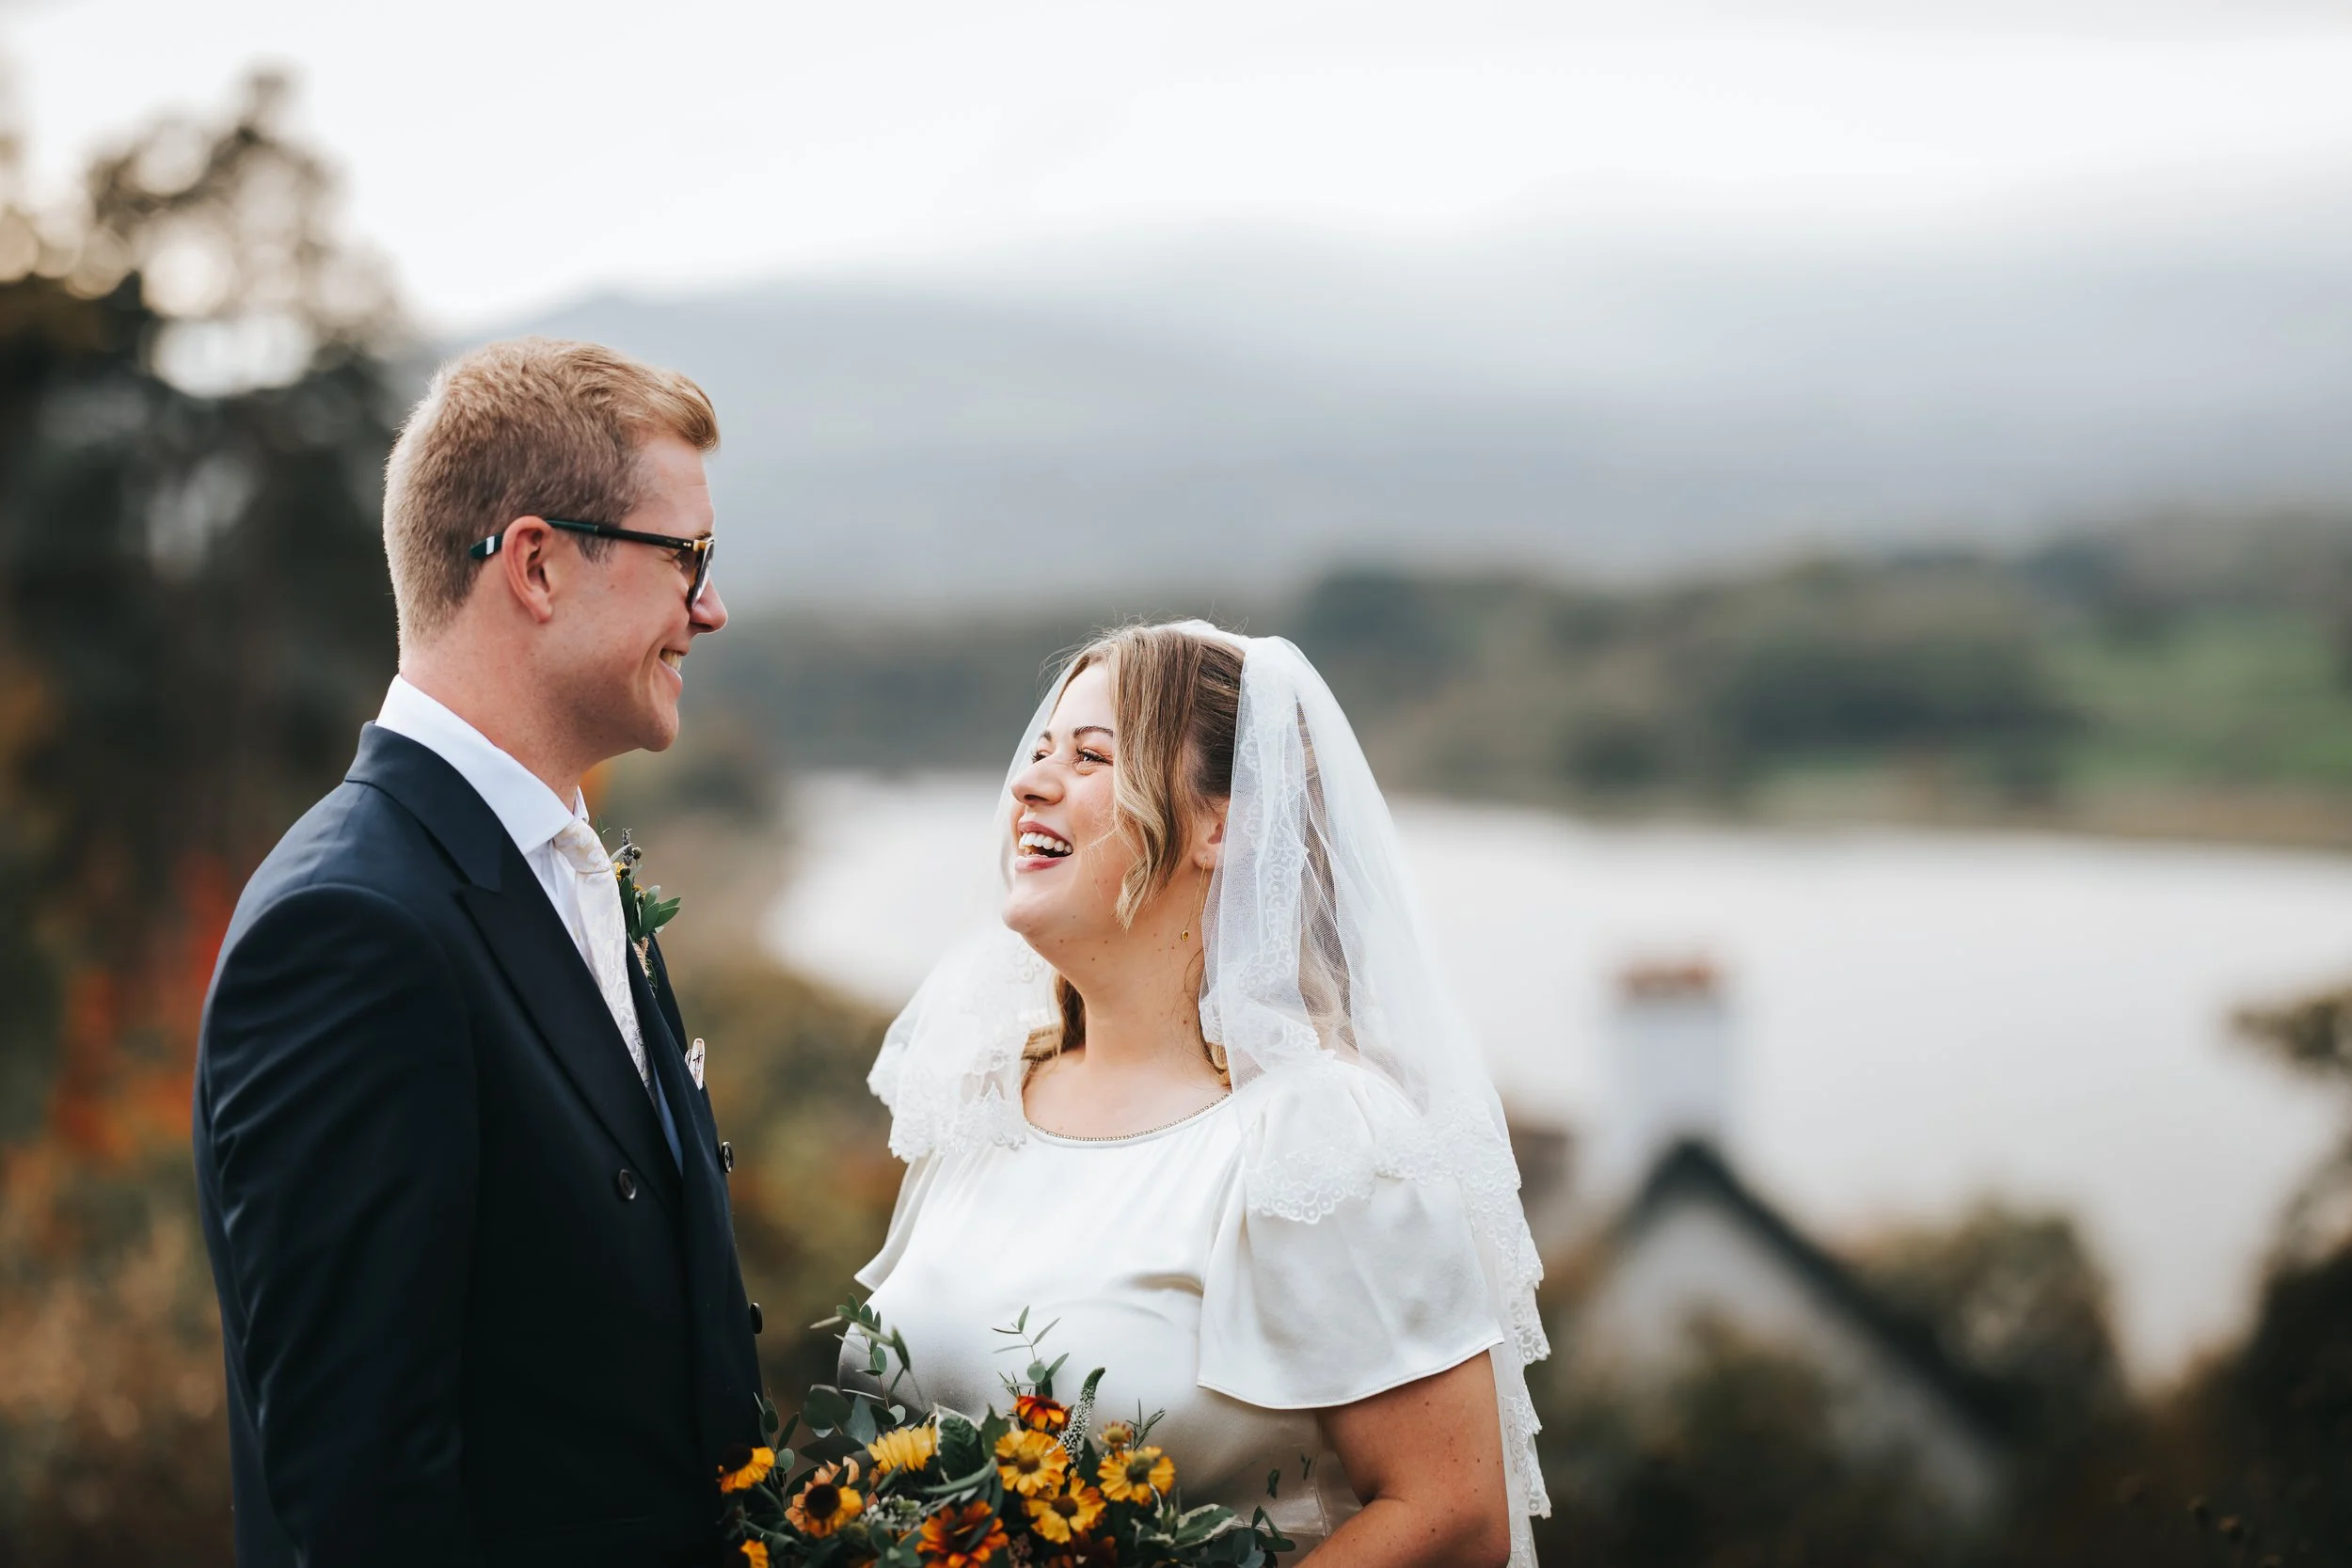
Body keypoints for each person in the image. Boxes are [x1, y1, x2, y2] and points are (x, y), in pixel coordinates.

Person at [193, 338, 761, 1568]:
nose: (709, 606)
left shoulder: (561, 858)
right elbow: (363, 1494)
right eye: (689, 559)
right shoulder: (351, 929)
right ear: (540, 564)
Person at [849, 622, 1550, 1566]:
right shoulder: (981, 1100)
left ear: (1224, 822)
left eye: (1093, 756)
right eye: (1041, 750)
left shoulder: (1317, 1134)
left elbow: (1453, 1512)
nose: (1029, 782)